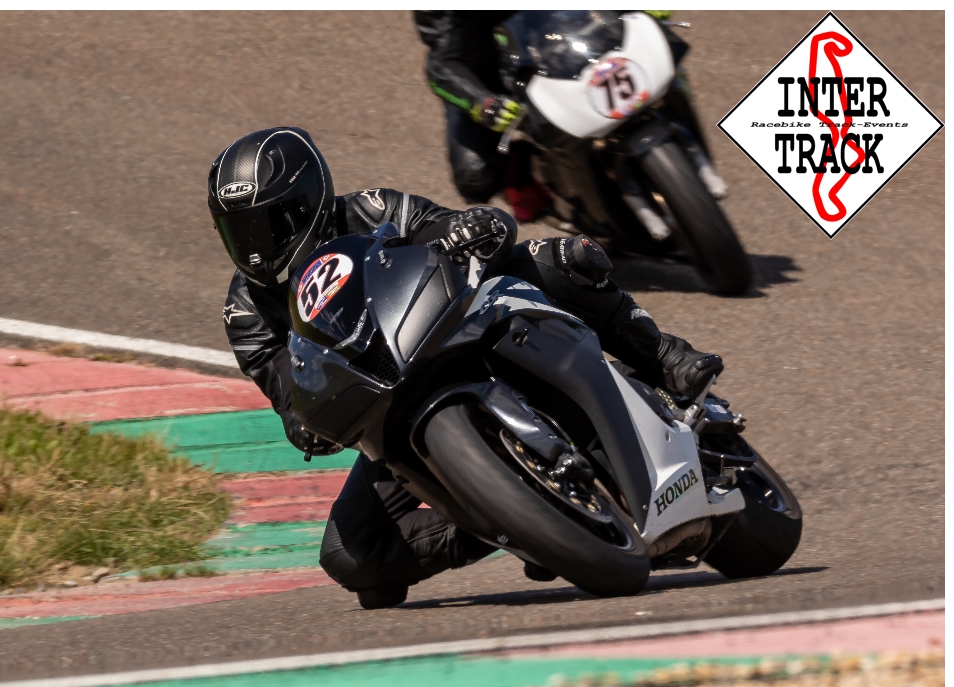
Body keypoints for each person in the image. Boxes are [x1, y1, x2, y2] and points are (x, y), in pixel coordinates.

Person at [208, 127, 722, 609]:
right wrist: (304, 423)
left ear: (308, 202)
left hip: (460, 333)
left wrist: (466, 229)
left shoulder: (371, 209)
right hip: (385, 409)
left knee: (557, 258)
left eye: (266, 224)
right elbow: (287, 390)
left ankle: (663, 356)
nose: (254, 247)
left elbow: (452, 227)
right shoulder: (246, 312)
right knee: (350, 556)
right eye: (238, 232)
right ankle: (524, 522)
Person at [414, 10, 552, 223]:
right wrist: (483, 103)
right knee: (474, 174)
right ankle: (521, 173)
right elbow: (439, 69)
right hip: (488, 76)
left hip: (555, 45)